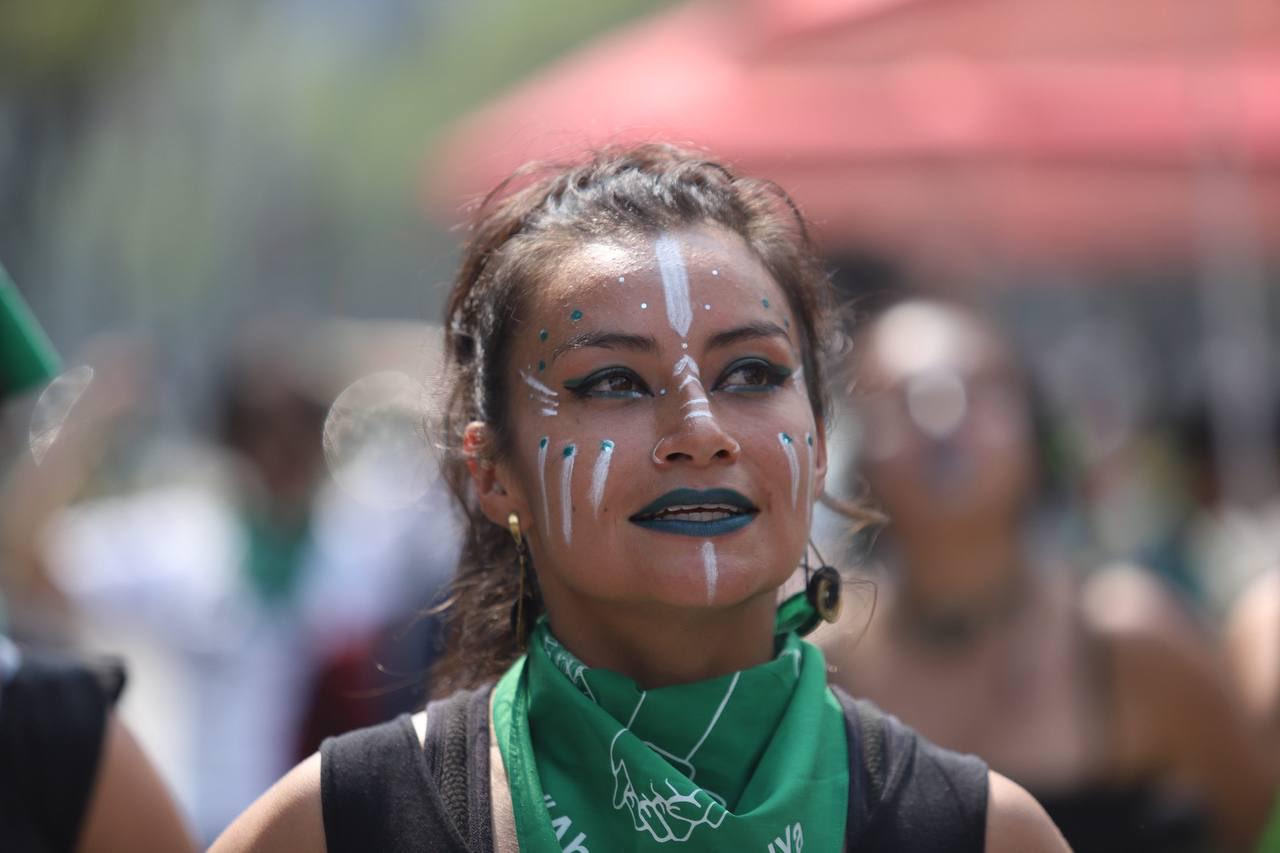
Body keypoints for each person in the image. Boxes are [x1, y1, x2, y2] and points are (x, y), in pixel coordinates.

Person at [213, 144, 1066, 852]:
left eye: (753, 373)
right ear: (491, 471)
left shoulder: (985, 834)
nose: (700, 430)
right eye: (615, 380)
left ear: (819, 436)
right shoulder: (334, 828)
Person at [819, 297, 1276, 852]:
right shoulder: (830, 664)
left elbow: (1249, 821)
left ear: (1034, 430)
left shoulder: (1127, 637)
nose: (941, 422)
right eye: (900, 401)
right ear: (857, 454)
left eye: (977, 390)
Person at [0, 266, 194, 852]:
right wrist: (82, 420)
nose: (280, 451)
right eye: (258, 424)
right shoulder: (191, 541)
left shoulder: (47, 735)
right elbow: (26, 554)